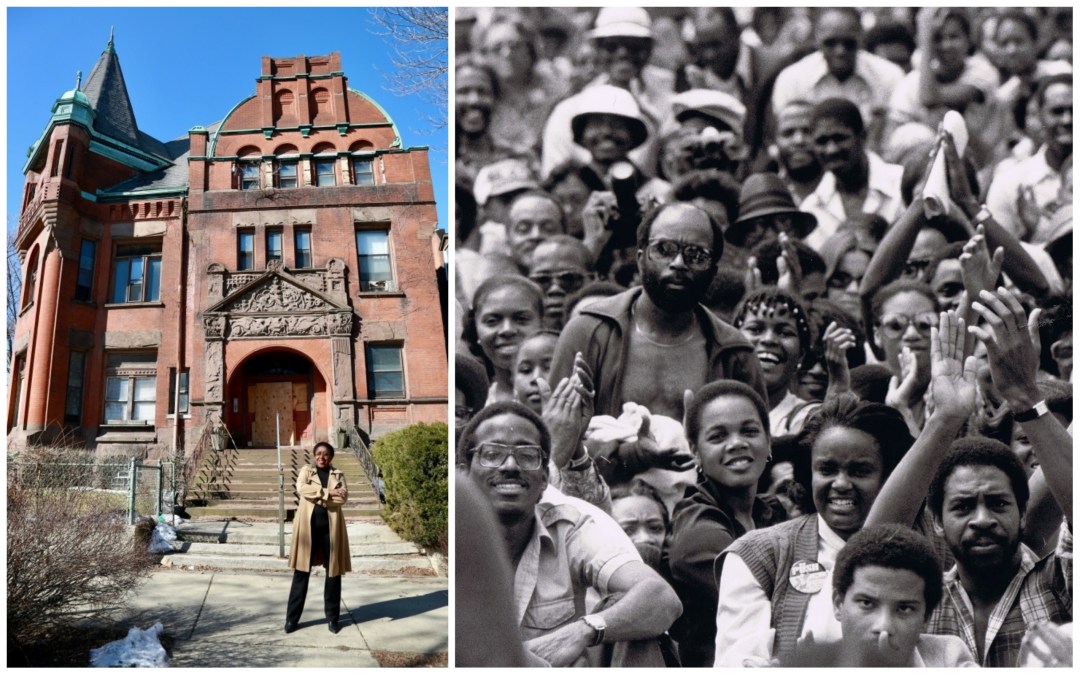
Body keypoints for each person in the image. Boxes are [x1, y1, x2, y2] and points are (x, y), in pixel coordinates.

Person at [457, 401, 682, 666]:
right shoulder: (453, 538)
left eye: (527, 455)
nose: (510, 465)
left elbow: (661, 597)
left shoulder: (569, 527)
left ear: (544, 479)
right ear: (464, 472)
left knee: (631, 614)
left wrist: (585, 630)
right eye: (492, 454)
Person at [713, 394, 913, 666]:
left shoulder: (924, 551)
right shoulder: (756, 555)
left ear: (889, 477)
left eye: (859, 471)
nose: (841, 483)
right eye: (827, 469)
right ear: (808, 474)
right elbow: (737, 664)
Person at [550, 201, 766, 423]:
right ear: (640, 259)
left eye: (697, 255)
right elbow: (556, 438)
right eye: (663, 249)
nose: (679, 263)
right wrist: (623, 452)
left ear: (713, 271)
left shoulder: (735, 353)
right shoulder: (588, 332)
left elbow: (754, 446)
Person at [668, 380, 788, 666]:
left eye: (749, 431)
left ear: (768, 442)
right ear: (695, 452)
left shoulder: (770, 512)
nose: (737, 444)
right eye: (718, 436)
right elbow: (785, 605)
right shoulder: (697, 528)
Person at [807, 524, 976, 667]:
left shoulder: (948, 657)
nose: (884, 627)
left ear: (926, 618)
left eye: (904, 608)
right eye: (867, 603)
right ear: (838, 604)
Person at [771, 8, 904, 152]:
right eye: (830, 43)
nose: (840, 51)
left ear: (862, 37)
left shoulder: (889, 76)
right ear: (816, 39)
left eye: (849, 43)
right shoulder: (792, 79)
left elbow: (897, 134)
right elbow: (786, 135)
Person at [801, 98, 905, 249]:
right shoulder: (812, 209)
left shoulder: (901, 184)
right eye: (822, 142)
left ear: (862, 136)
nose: (832, 149)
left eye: (840, 138)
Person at [985, 74, 1072, 244]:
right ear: (1040, 117)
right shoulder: (1009, 185)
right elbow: (1000, 262)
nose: (1067, 120)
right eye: (1057, 111)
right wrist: (1031, 233)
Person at [731, 287, 820, 436]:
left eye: (784, 332)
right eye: (755, 329)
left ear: (801, 355)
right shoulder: (707, 410)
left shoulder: (808, 417)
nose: (769, 340)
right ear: (731, 342)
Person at [285, 442, 351, 634]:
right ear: (314, 456)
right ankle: (292, 619)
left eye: (326, 454)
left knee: (333, 573)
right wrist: (328, 492)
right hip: (307, 530)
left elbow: (342, 499)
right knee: (301, 573)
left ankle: (333, 618)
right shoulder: (307, 472)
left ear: (331, 457)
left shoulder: (338, 475)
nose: (322, 457)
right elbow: (301, 489)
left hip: (331, 530)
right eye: (319, 454)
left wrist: (317, 496)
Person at [462, 276, 544, 404]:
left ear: (542, 324)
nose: (507, 330)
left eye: (521, 319)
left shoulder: (569, 397)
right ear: (475, 329)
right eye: (492, 321)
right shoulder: (471, 405)